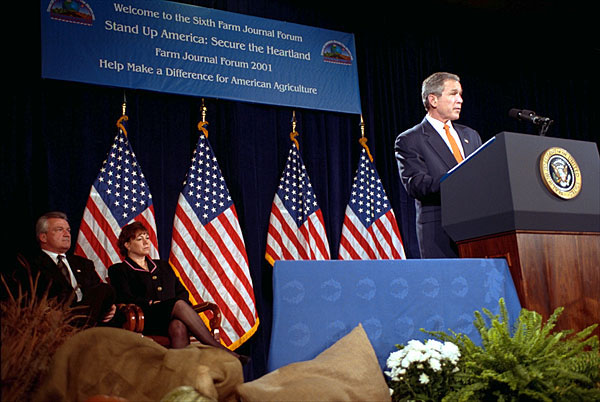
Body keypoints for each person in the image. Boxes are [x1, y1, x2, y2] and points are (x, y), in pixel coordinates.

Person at [108, 221, 249, 363]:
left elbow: (181, 292)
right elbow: (124, 297)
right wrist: (152, 303)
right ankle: (218, 347)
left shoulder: (163, 266)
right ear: (127, 245)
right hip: (145, 318)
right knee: (179, 304)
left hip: (170, 317)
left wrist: (173, 306)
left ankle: (179, 379)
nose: (146, 242)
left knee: (178, 326)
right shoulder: (118, 270)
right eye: (139, 239)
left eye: (147, 238)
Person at [395, 72, 482, 258]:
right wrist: (458, 181)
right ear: (433, 100)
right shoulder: (410, 139)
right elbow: (415, 184)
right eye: (453, 94)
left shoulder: (471, 136)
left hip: (478, 229)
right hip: (440, 233)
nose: (460, 100)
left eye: (460, 94)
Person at [24, 211, 116, 325]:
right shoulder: (31, 265)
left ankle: (79, 321)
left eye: (68, 230)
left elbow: (96, 293)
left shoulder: (84, 264)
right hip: (56, 322)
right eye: (59, 229)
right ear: (43, 237)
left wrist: (109, 307)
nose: (67, 234)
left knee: (105, 289)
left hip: (89, 317)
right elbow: (27, 299)